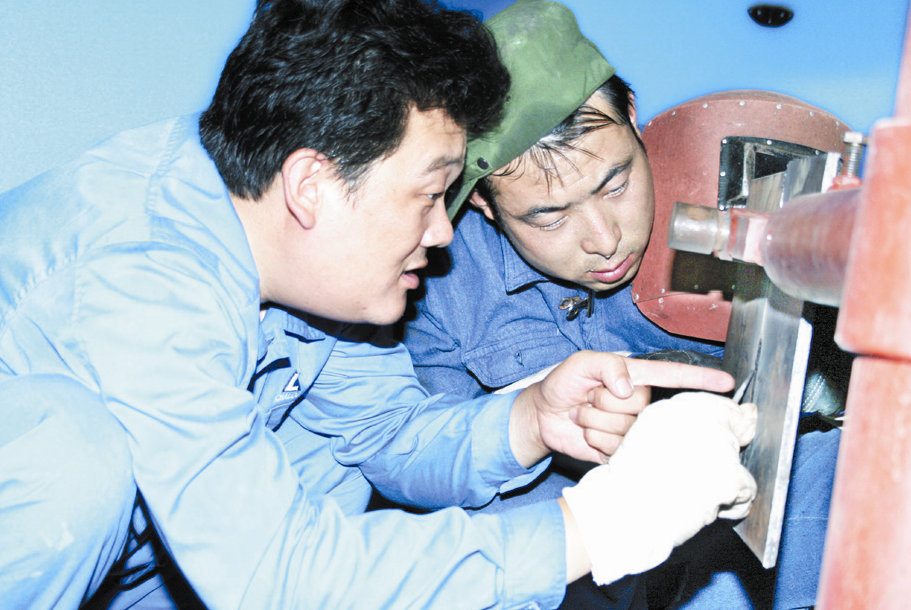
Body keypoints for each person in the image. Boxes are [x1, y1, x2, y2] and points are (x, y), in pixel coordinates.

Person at [0, 1, 756, 609]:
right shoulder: (147, 270)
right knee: (72, 462)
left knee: (319, 461)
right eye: (428, 194)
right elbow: (276, 575)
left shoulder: (304, 276)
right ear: (312, 185)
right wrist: (602, 524)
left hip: (137, 579)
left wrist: (530, 420)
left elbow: (387, 435)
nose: (442, 232)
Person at [403, 1, 841, 609]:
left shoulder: (736, 195)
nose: (605, 239)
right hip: (571, 546)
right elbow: (424, 464)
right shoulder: (434, 282)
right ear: (481, 202)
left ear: (632, 117)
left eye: (616, 183)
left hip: (750, 511)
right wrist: (535, 420)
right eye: (548, 217)